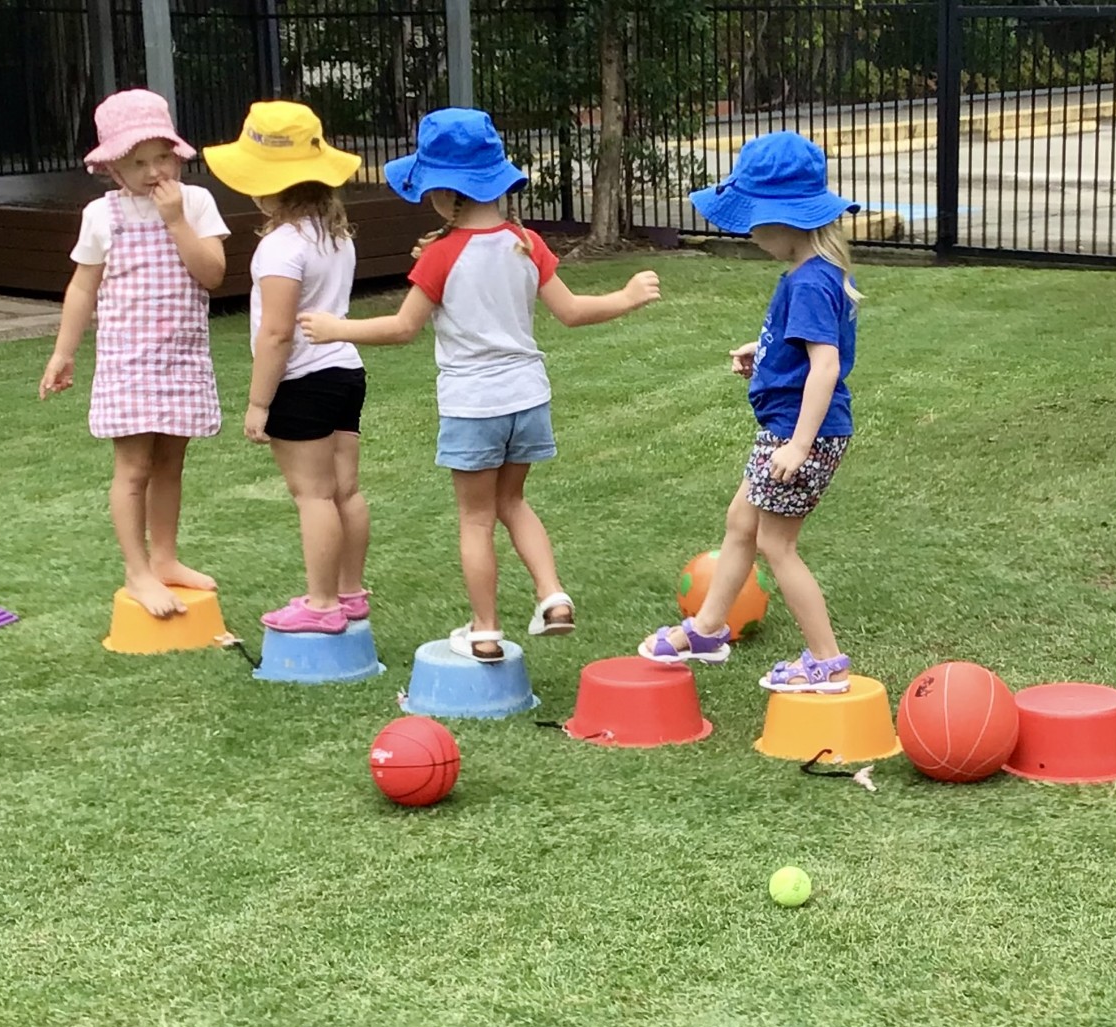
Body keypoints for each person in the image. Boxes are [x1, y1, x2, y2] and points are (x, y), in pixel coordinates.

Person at [298, 108, 660, 662]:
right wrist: (628, 296)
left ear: (444, 194)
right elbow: (572, 311)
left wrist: (333, 328)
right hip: (528, 399)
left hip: (474, 406)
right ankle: (552, 595)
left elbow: (402, 328)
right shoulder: (524, 242)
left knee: (475, 518)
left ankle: (484, 629)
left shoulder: (441, 255)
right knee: (514, 501)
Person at [637, 131, 861, 695]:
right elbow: (806, 349)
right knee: (742, 523)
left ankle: (826, 660)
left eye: (755, 219)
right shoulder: (818, 274)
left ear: (786, 218)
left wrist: (798, 445)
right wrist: (760, 353)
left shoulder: (809, 281)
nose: (751, 233)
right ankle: (708, 629)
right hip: (787, 430)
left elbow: (826, 368)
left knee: (777, 546)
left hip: (795, 435)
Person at [39, 89, 229, 619]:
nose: (152, 172)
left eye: (161, 158)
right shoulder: (102, 215)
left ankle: (165, 558)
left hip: (183, 357)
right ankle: (137, 569)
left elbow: (211, 274)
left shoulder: (195, 204)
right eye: (136, 163)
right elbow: (82, 287)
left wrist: (176, 221)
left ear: (177, 154)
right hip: (127, 361)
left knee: (171, 461)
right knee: (133, 467)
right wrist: (64, 352)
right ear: (111, 169)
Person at [204, 101, 372, 635]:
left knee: (313, 494)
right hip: (345, 371)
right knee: (345, 489)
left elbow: (276, 332)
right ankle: (350, 591)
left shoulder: (280, 246)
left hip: (302, 380)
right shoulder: (335, 234)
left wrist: (259, 402)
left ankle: (321, 604)